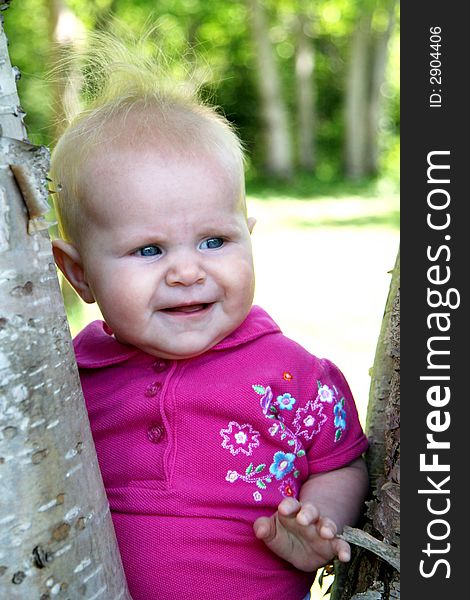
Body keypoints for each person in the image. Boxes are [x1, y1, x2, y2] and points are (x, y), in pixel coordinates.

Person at [50, 30, 369, 600]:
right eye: (149, 250)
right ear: (78, 274)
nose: (187, 271)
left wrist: (317, 524)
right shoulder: (68, 379)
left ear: (249, 237)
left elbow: (342, 462)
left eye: (215, 241)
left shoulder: (292, 374)